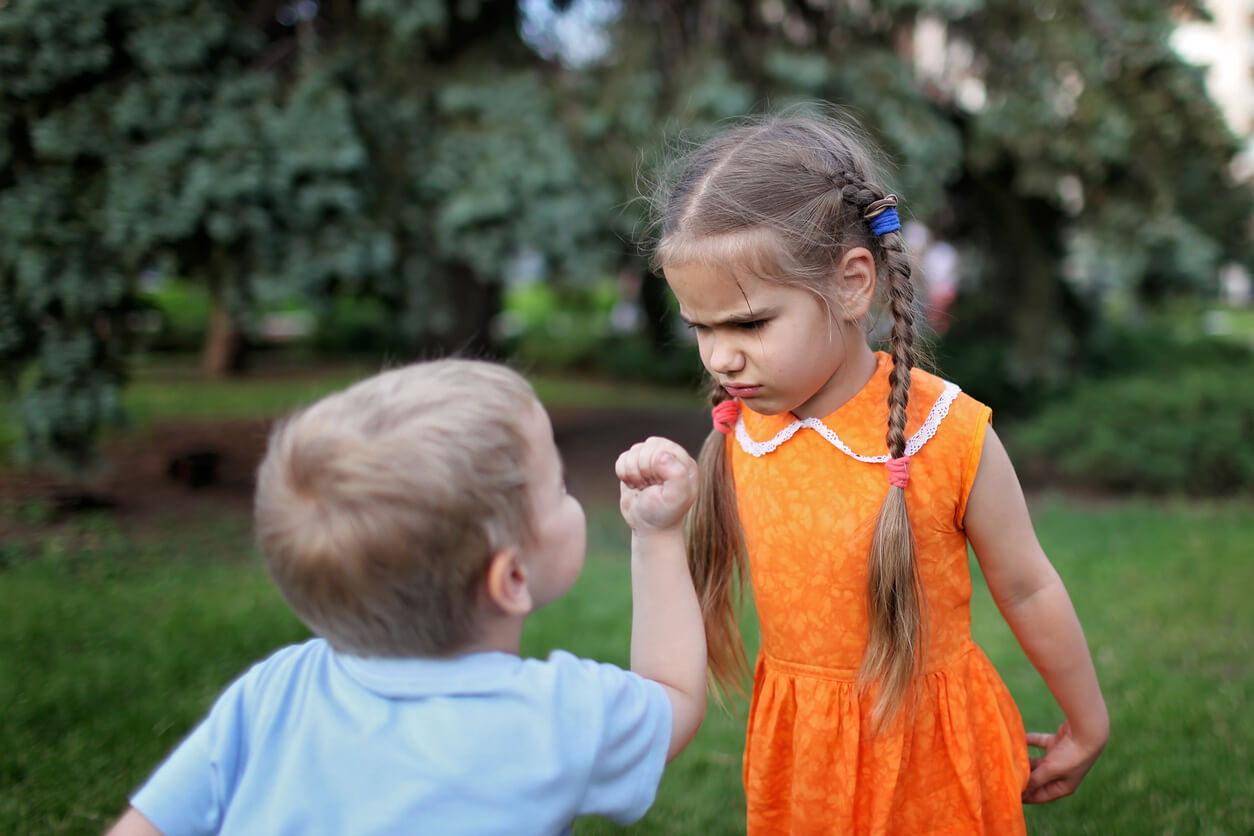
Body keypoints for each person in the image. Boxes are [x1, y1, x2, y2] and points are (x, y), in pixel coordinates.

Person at [650, 113, 1109, 834]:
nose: (719, 359)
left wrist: (1086, 721)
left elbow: (1027, 583)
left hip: (932, 753)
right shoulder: (743, 430)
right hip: (804, 758)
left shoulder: (945, 433)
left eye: (748, 324)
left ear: (851, 284)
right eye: (700, 328)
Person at [106, 359, 706, 836]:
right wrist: (656, 537)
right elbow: (673, 695)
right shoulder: (560, 717)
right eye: (559, 486)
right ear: (512, 580)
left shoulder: (273, 690)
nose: (571, 493)